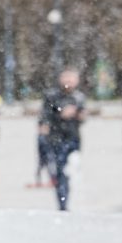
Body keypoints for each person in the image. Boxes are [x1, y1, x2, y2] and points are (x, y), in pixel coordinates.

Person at [39, 69, 86, 211]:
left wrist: (78, 114)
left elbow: (83, 117)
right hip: (56, 139)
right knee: (60, 172)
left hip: (73, 139)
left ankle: (68, 200)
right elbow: (45, 116)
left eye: (71, 79)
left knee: (71, 171)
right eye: (66, 78)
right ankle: (63, 204)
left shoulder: (79, 97)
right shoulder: (51, 96)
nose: (68, 82)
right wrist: (60, 114)